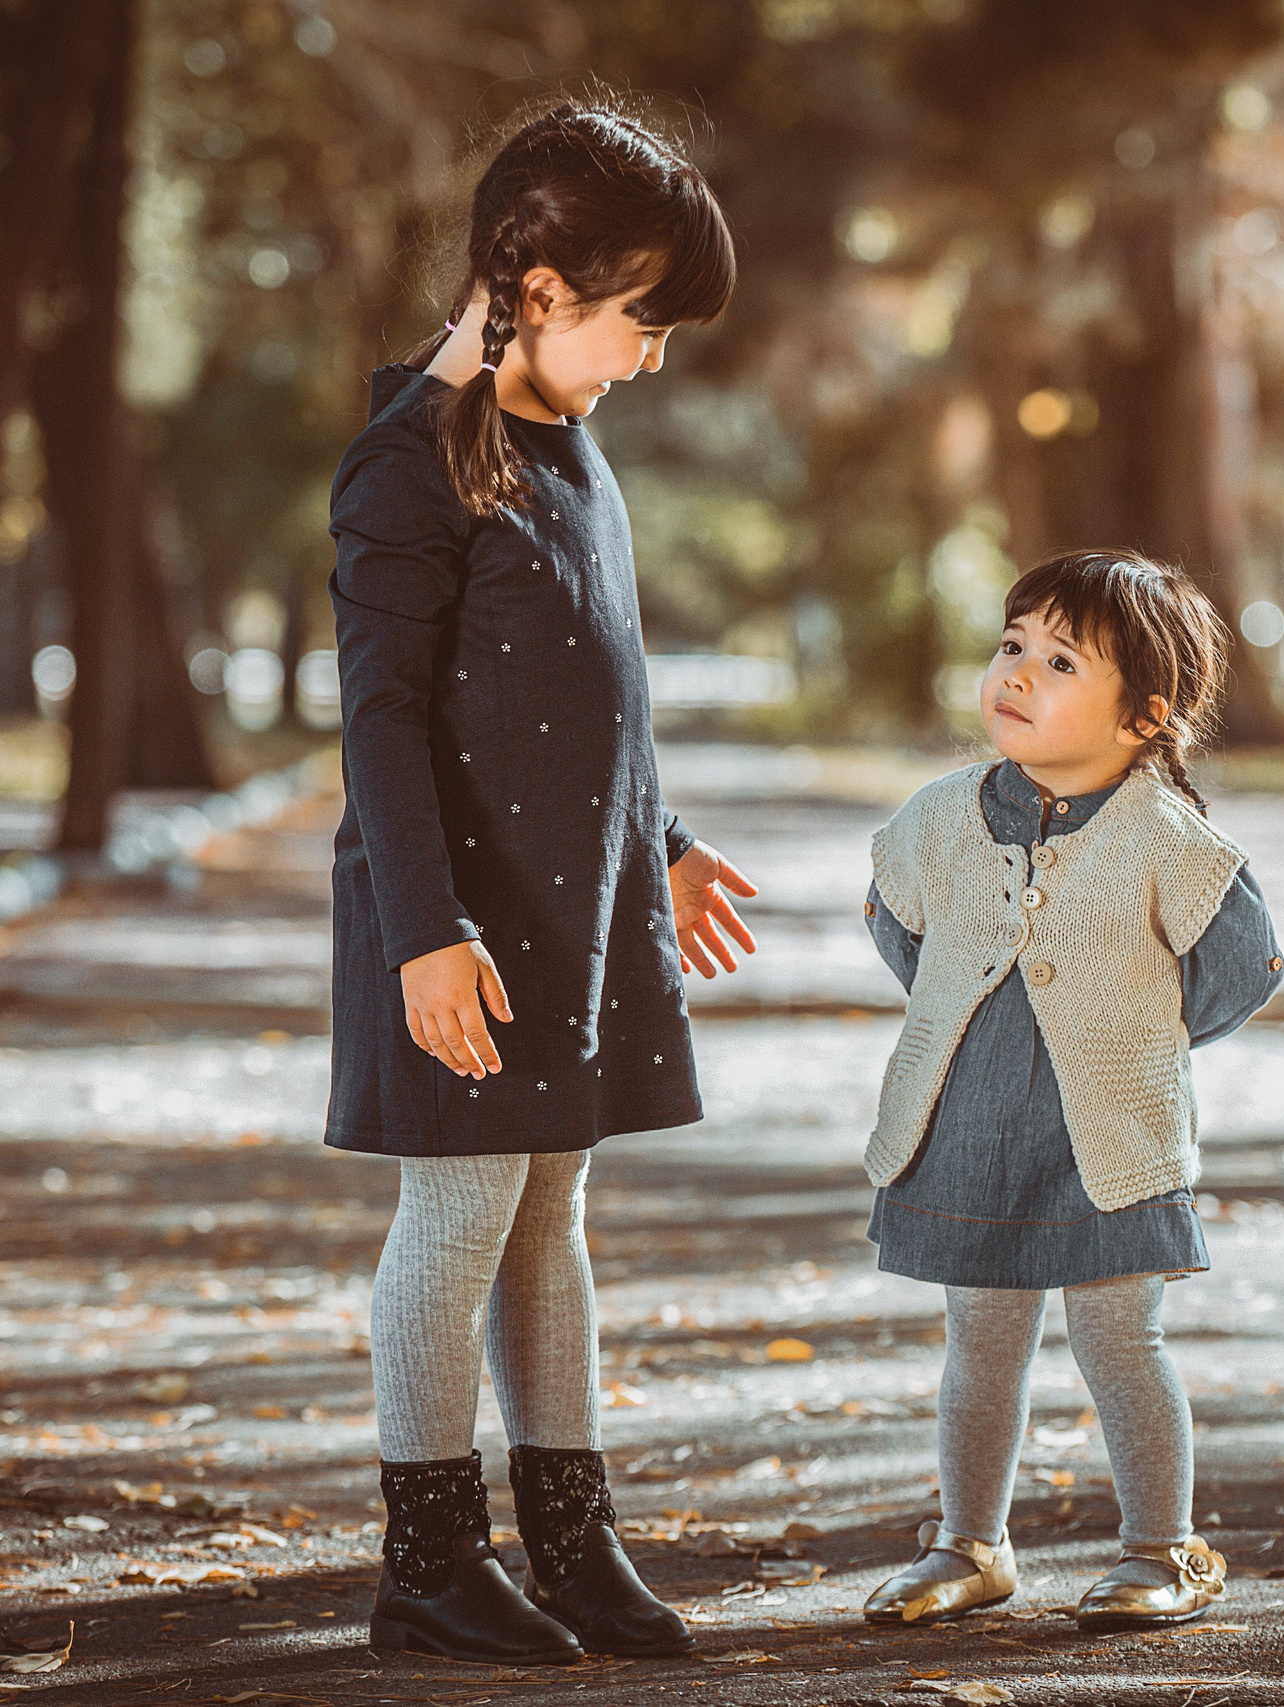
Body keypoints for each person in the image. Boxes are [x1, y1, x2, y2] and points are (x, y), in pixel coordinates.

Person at [325, 100, 758, 1668]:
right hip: (458, 917)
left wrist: (665, 838)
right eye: (644, 320)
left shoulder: (570, 451)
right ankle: (428, 1558)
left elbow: (596, 684)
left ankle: (572, 1543)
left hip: (568, 901)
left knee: (548, 1211)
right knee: (458, 1211)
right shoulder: (409, 461)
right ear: (543, 285)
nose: (652, 357)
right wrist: (421, 934)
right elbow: (378, 718)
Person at [857, 551, 1284, 1631]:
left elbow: (1242, 968)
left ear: (1144, 716)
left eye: (1058, 661)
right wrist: (969, 1013)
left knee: (1119, 1341)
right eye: (1011, 647)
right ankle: (969, 1544)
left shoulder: (1166, 841)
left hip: (1111, 1143)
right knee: (980, 1345)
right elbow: (896, 921)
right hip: (969, 1132)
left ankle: (1161, 1550)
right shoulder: (943, 815)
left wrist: (1140, 1035)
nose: (1016, 673)